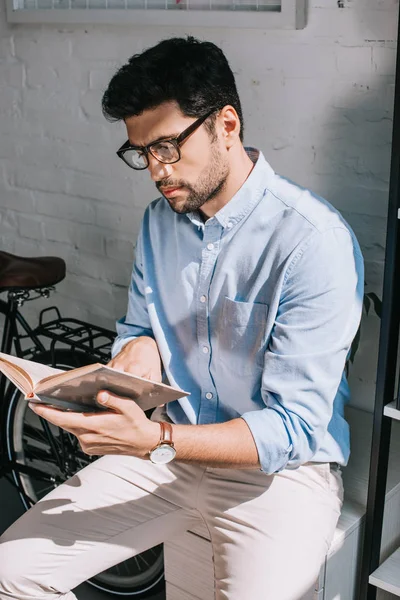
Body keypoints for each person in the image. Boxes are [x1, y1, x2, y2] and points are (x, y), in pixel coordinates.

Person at [0, 36, 364, 600]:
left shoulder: (314, 243)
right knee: (11, 573)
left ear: (227, 124)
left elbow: (293, 427)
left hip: (278, 475)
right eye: (141, 152)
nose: (155, 170)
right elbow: (141, 326)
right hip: (164, 454)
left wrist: (157, 437)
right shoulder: (158, 222)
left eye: (168, 146)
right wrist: (133, 355)